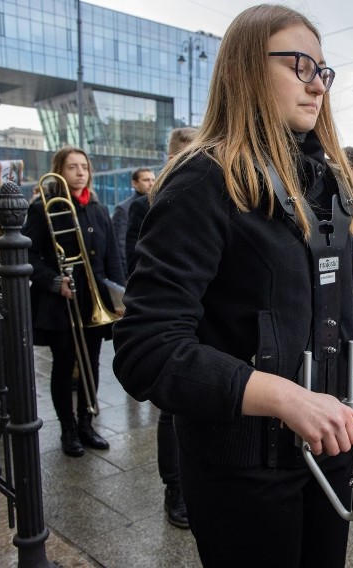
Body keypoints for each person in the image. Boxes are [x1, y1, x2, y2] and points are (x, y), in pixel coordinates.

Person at [111, 6, 353, 567]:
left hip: (326, 449)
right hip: (242, 467)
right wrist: (284, 397)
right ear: (248, 68)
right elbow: (146, 348)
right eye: (300, 64)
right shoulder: (203, 180)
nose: (317, 84)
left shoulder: (323, 178)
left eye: (323, 70)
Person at [23, 146, 125, 457]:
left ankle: (86, 422)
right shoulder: (43, 208)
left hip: (92, 299)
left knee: (91, 363)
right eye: (72, 167)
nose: (80, 172)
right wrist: (54, 281)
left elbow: (111, 257)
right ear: (60, 170)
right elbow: (27, 253)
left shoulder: (97, 207)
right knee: (64, 364)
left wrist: (120, 297)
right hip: (61, 301)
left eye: (84, 166)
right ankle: (68, 428)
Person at [124, 127, 197, 530]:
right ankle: (174, 488)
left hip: (199, 313)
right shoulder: (148, 201)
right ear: (171, 158)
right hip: (169, 312)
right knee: (171, 413)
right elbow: (139, 258)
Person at [124, 127, 196, 277]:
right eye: (192, 159)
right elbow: (135, 263)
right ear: (172, 161)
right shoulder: (143, 206)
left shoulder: (209, 202)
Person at [111, 167, 155, 274]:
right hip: (132, 270)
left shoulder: (156, 204)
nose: (151, 183)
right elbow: (121, 243)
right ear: (134, 183)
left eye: (153, 180)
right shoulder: (123, 208)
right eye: (146, 180)